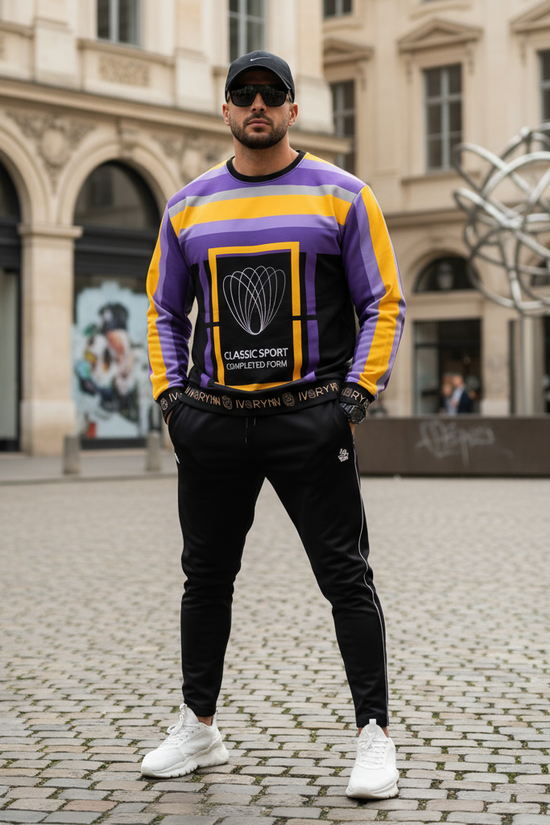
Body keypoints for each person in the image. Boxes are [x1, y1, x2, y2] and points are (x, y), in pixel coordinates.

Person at [143, 50, 406, 800]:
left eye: (272, 94)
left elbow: (383, 300)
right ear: (225, 110)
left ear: (294, 109)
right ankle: (200, 725)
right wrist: (172, 399)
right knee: (205, 578)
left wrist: (354, 398)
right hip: (216, 424)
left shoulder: (344, 195)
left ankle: (374, 737)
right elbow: (163, 307)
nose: (257, 104)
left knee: (346, 579)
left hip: (309, 422)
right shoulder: (187, 205)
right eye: (243, 94)